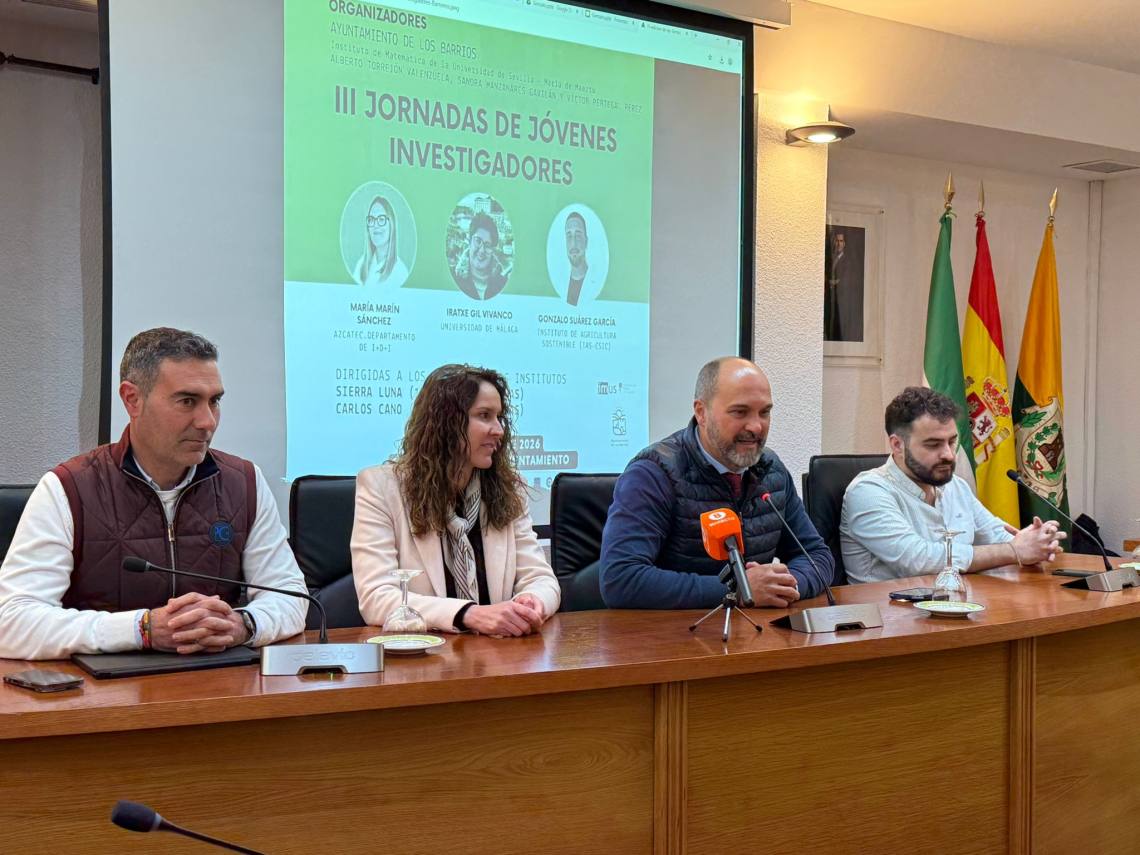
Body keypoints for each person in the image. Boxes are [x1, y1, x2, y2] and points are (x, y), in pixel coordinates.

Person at [0, 328, 308, 660]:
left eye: (214, 401)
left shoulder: (244, 481)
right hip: (107, 688)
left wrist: (243, 624)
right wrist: (141, 629)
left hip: (219, 681)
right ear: (132, 399)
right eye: (187, 401)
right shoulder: (67, 488)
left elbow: (292, 597)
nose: (207, 421)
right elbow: (11, 621)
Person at [599, 357, 834, 609]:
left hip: (757, 630)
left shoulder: (771, 470)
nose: (756, 426)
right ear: (701, 412)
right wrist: (738, 590)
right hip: (675, 630)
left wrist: (786, 586)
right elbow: (620, 579)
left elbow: (817, 556)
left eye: (764, 412)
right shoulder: (653, 473)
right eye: (740, 412)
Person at [351, 364, 560, 635]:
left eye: (500, 417)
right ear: (446, 422)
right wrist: (468, 614)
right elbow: (376, 597)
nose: (499, 430)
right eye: (484, 415)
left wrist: (531, 601)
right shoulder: (381, 487)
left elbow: (542, 579)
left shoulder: (508, 488)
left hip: (501, 652)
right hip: (426, 656)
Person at [840, 386, 1065, 583]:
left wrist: (1038, 542)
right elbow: (919, 560)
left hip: (960, 605)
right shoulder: (867, 491)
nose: (948, 454)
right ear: (897, 445)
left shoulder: (955, 486)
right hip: (891, 614)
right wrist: (1013, 550)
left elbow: (999, 536)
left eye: (952, 441)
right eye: (933, 444)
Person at [353, 194, 410, 288]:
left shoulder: (400, 271)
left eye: (381, 219)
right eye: (371, 219)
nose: (375, 225)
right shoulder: (361, 265)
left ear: (391, 224)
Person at [453, 212, 508, 300]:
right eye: (478, 241)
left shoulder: (503, 284)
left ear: (493, 250)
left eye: (487, 245)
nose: (482, 250)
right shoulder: (454, 278)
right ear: (469, 242)